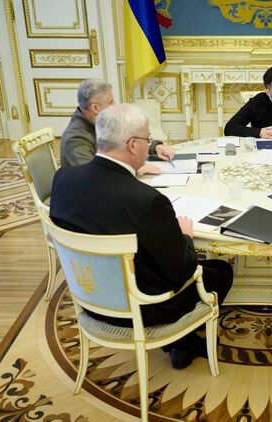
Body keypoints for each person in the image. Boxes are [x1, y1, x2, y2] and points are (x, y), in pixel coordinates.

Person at [51, 103, 233, 370]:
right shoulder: (147, 201)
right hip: (142, 308)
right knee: (220, 271)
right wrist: (185, 237)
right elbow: (183, 270)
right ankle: (183, 345)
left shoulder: (63, 179)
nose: (150, 146)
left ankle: (181, 345)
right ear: (132, 145)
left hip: (89, 297)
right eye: (148, 139)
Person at [60, 79, 175, 168]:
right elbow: (93, 174)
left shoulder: (102, 121)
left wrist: (155, 147)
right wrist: (134, 169)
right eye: (111, 102)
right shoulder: (75, 138)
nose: (114, 105)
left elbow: (127, 140)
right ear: (95, 108)